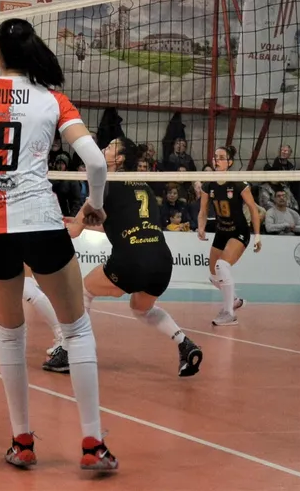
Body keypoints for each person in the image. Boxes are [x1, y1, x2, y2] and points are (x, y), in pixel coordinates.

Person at [0, 18, 117, 471]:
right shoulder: (53, 99)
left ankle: (22, 442)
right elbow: (95, 162)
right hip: (43, 224)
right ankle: (93, 444)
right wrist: (95, 204)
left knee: (10, 335)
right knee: (78, 330)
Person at [65, 138, 202, 377]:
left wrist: (57, 225)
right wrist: (83, 223)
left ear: (118, 159)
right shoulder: (144, 185)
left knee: (83, 291)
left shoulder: (103, 185)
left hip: (131, 260)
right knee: (141, 309)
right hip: (161, 260)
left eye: (109, 147)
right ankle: (184, 343)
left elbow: (73, 231)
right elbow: (122, 224)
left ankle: (75, 352)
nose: (103, 149)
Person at [197, 145, 261, 326]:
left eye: (221, 157)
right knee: (213, 276)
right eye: (215, 157)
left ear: (230, 162)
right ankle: (233, 300)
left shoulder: (238, 183)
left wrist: (257, 235)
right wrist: (201, 227)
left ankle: (228, 313)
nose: (216, 160)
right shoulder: (208, 185)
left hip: (239, 231)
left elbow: (253, 209)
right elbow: (203, 211)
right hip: (221, 231)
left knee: (222, 266)